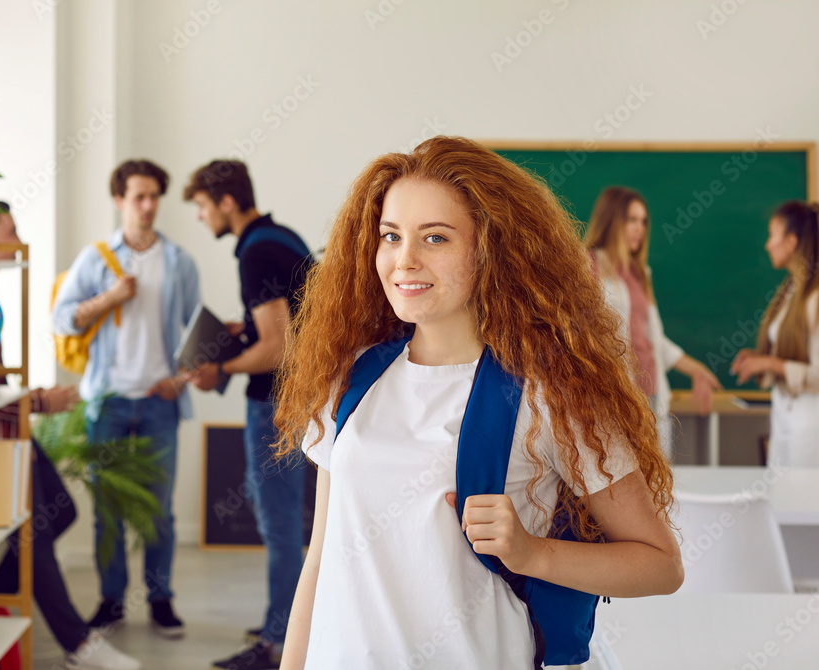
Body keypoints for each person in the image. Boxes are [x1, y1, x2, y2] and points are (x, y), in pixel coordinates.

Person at [271, 137, 683, 669]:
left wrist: (533, 553)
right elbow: (321, 559)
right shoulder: (349, 380)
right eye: (390, 237)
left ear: (492, 249)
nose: (405, 260)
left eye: (435, 238)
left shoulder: (551, 396)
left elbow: (661, 566)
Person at [0, 204, 141, 670]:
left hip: (10, 436)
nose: (19, 239)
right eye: (11, 232)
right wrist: (40, 402)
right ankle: (79, 646)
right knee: (34, 538)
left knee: (60, 511)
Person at [51, 160, 200, 636]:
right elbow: (62, 319)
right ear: (119, 200)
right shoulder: (96, 259)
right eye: (139, 196)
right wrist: (108, 299)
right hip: (109, 403)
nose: (148, 205)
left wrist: (179, 381)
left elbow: (199, 335)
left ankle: (160, 600)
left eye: (155, 195)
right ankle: (111, 600)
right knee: (108, 511)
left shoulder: (179, 262)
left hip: (160, 402)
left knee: (159, 511)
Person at [183, 160, 313, 670]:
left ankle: (279, 644)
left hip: (274, 404)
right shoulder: (280, 237)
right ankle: (282, 620)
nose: (199, 216)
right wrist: (245, 333)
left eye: (201, 206)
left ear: (227, 202)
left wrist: (221, 368)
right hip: (296, 400)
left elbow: (278, 347)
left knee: (278, 524)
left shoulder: (255, 253)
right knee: (284, 522)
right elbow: (288, 325)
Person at [584, 186, 722, 457]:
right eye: (632, 220)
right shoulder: (587, 267)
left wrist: (695, 369)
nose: (640, 229)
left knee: (657, 485)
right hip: (613, 398)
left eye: (644, 221)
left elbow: (650, 339)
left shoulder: (639, 273)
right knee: (620, 482)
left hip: (651, 394)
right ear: (611, 220)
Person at [731, 200, 819, 467]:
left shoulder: (815, 299)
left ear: (791, 242)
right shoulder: (791, 292)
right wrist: (760, 358)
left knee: (802, 505)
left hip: (809, 426)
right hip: (786, 417)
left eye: (772, 235)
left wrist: (769, 363)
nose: (768, 244)